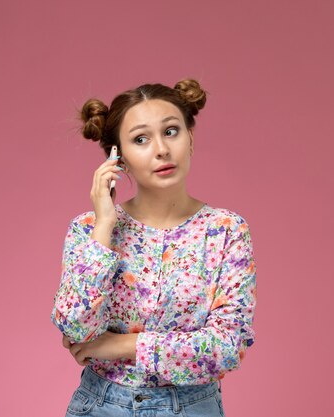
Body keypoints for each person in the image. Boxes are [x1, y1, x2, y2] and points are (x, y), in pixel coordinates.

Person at [51, 79, 257, 417]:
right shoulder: (89, 230)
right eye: (141, 139)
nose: (161, 149)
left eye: (172, 131)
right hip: (101, 406)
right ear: (119, 159)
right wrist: (104, 225)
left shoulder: (225, 230)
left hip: (192, 407)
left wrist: (120, 345)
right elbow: (76, 328)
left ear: (190, 139)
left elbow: (226, 347)